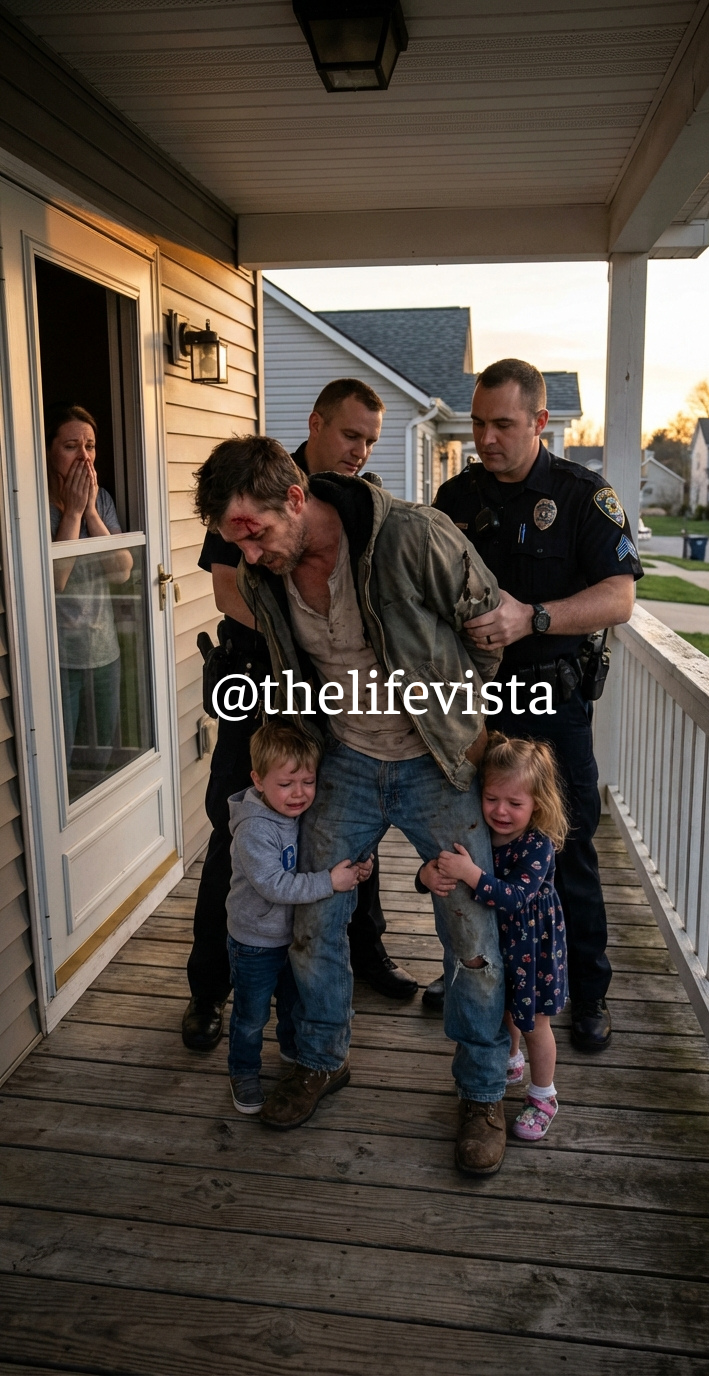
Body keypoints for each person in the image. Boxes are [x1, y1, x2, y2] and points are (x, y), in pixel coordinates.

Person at [193, 435, 512, 1177]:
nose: (249, 553)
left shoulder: (413, 534)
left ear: (295, 497)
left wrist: (457, 718)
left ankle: (482, 1091)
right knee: (313, 921)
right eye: (237, 539)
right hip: (342, 760)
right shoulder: (263, 569)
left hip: (436, 762)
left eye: (255, 532)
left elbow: (488, 628)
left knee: (471, 931)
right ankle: (321, 1058)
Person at [182, 378, 417, 1055]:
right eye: (350, 434)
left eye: (370, 440)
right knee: (237, 828)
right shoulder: (251, 485)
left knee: (352, 823)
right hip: (260, 685)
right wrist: (302, 639)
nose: (360, 450)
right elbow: (228, 589)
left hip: (333, 696)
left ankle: (367, 954)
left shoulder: (355, 504)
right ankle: (209, 988)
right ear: (315, 424)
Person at [430, 359, 642, 1051]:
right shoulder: (455, 497)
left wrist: (533, 618)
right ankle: (470, 973)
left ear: (540, 422)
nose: (485, 439)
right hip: (474, 704)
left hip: (552, 700)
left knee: (567, 844)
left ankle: (588, 990)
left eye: (503, 425)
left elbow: (619, 597)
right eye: (477, 424)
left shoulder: (583, 495)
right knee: (470, 838)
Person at [418, 733, 568, 1142]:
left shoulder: (537, 845)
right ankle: (509, 1058)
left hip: (531, 946)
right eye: (491, 799)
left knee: (534, 1023)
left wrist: (471, 874)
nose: (501, 811)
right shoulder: (476, 833)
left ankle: (544, 1096)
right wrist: (425, 875)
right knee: (500, 1007)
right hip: (498, 943)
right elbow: (437, 867)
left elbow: (516, 897)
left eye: (515, 803)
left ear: (538, 804)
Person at [226, 721, 371, 1114]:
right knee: (251, 1014)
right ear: (258, 780)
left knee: (293, 1001)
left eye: (308, 782)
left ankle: (291, 1051)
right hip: (255, 941)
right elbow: (274, 885)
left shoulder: (301, 812)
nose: (299, 793)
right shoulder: (254, 829)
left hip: (292, 936)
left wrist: (358, 866)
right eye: (286, 783)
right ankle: (243, 1070)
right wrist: (330, 882)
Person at [46, 405, 132, 777]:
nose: (84, 456)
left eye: (90, 446)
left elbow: (122, 571)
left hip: (104, 651)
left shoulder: (103, 500)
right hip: (60, 657)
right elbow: (55, 580)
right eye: (71, 446)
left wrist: (92, 512)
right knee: (61, 759)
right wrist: (73, 513)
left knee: (98, 758)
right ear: (48, 451)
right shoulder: (36, 506)